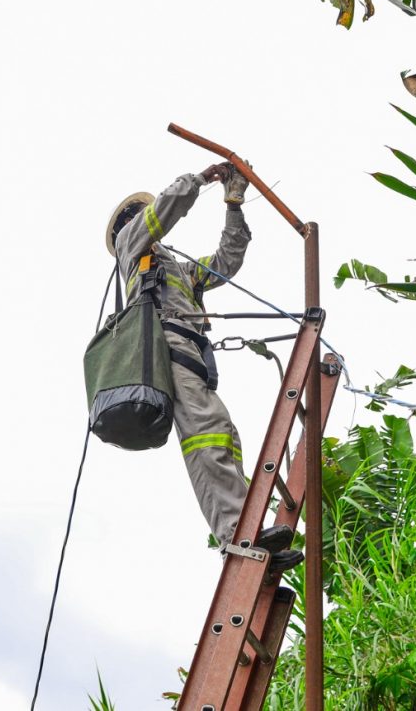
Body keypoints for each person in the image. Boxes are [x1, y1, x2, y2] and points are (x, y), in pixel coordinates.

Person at [105, 162, 303, 573]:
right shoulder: (130, 244)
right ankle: (235, 535)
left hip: (194, 359)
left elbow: (227, 261)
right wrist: (199, 179)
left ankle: (249, 532)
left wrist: (233, 203)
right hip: (165, 353)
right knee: (205, 438)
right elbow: (165, 209)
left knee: (224, 435)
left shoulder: (177, 270)